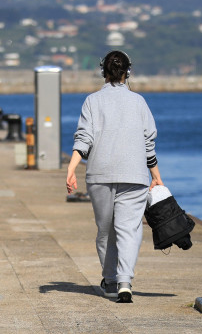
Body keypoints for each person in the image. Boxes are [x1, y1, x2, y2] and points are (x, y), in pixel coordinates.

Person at [65, 50, 162, 303]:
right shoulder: (139, 102)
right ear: (127, 72)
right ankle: (124, 282)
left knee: (105, 231)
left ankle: (109, 280)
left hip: (100, 174)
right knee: (129, 230)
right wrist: (156, 176)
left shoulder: (92, 101)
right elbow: (148, 142)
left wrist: (71, 167)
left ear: (103, 72)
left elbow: (84, 138)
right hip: (135, 175)